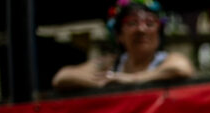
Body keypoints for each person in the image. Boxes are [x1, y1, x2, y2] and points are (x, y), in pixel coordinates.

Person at [52, 0, 194, 91]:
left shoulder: (166, 60)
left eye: (150, 24)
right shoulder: (111, 63)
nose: (141, 29)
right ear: (119, 35)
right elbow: (62, 77)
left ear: (159, 33)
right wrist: (104, 82)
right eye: (132, 23)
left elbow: (181, 68)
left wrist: (129, 79)